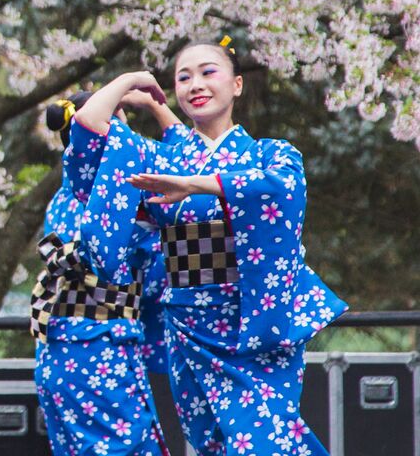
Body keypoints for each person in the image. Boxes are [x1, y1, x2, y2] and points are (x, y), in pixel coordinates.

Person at [74, 40, 347, 456]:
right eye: (184, 78)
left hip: (253, 325)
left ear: (237, 85)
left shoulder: (269, 153)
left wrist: (194, 185)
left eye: (208, 72)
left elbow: (281, 189)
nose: (195, 85)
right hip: (186, 323)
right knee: (214, 446)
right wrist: (131, 81)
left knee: (264, 442)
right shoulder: (161, 157)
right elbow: (89, 135)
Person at [33, 92, 182, 456]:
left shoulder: (67, 197)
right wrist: (144, 93)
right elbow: (185, 165)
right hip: (98, 344)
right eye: (122, 130)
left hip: (60, 348)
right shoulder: (115, 202)